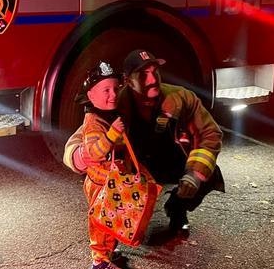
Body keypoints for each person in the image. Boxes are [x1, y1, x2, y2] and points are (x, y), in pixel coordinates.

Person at [65, 49, 224, 235]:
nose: (152, 80)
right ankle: (111, 233)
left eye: (154, 71)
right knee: (107, 177)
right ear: (128, 80)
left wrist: (194, 174)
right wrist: (80, 156)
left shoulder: (181, 98)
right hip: (136, 168)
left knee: (209, 173)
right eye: (143, 74)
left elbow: (210, 133)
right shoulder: (116, 103)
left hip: (170, 161)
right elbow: (81, 136)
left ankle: (177, 207)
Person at [69, 61, 129, 269]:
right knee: (101, 223)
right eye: (106, 90)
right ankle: (100, 262)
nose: (113, 94)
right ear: (91, 95)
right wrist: (112, 136)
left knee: (111, 220)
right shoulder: (94, 122)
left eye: (115, 88)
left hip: (110, 182)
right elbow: (93, 153)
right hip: (100, 184)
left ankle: (108, 253)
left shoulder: (107, 115)